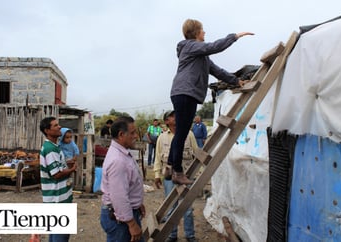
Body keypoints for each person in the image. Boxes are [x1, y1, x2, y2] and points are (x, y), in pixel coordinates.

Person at [169, 19, 254, 185]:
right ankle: (177, 172)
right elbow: (215, 46)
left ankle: (170, 166)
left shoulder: (200, 55)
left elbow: (217, 71)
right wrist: (235, 36)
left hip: (184, 92)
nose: (204, 33)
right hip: (186, 92)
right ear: (196, 33)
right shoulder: (190, 46)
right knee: (182, 132)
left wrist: (236, 81)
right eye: (202, 30)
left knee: (181, 131)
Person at [154, 111, 198, 242]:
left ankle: (190, 236)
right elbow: (157, 158)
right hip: (169, 178)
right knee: (171, 207)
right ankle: (172, 235)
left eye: (176, 115)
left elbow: (196, 154)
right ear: (167, 121)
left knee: (187, 208)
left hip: (186, 176)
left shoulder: (189, 134)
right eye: (172, 116)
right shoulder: (162, 138)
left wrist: (198, 174)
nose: (176, 117)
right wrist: (157, 175)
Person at [100, 116, 146, 242]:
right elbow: (119, 197)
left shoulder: (121, 152)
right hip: (120, 220)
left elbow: (128, 185)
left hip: (124, 215)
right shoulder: (118, 161)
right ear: (121, 135)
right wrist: (131, 224)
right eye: (132, 133)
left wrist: (137, 203)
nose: (136, 136)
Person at [39, 117, 77, 242]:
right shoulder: (50, 149)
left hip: (58, 198)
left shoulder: (54, 147)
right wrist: (72, 169)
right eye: (55, 125)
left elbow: (57, 167)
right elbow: (56, 174)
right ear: (47, 131)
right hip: (57, 199)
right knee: (61, 236)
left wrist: (67, 163)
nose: (59, 127)